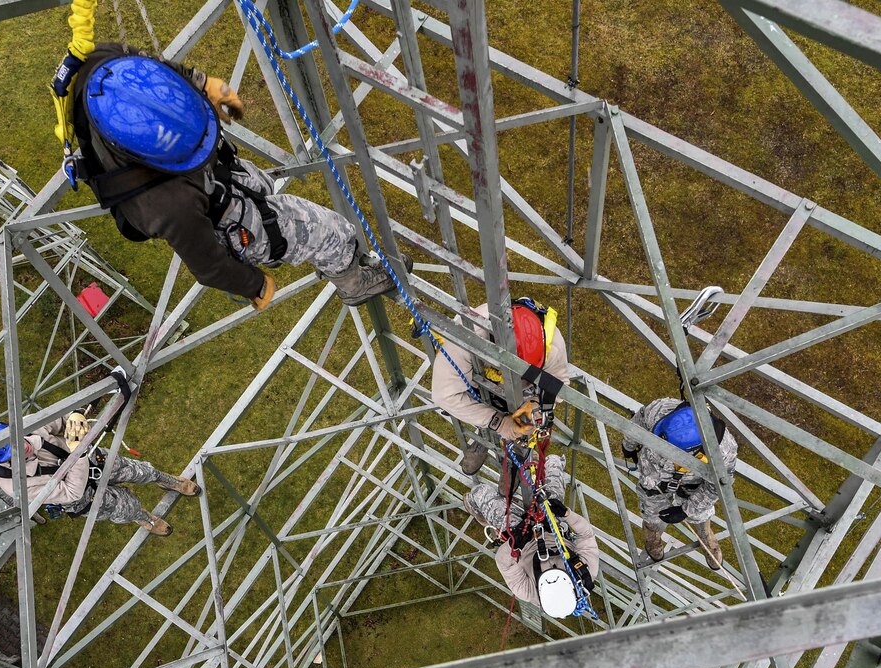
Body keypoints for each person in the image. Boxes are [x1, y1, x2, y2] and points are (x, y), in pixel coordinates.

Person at [51, 43, 411, 308]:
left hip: (216, 181)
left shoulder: (106, 72)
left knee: (264, 189)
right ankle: (354, 283)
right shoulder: (168, 205)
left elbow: (150, 68)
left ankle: (334, 258)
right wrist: (253, 284)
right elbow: (208, 266)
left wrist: (201, 82)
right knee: (327, 231)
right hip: (223, 221)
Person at [0, 418, 199, 536]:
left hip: (92, 460)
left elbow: (63, 417)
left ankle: (169, 481)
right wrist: (77, 450)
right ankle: (143, 517)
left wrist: (76, 419)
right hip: (81, 495)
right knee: (125, 508)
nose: (24, 448)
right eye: (14, 453)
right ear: (0, 461)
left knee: (141, 471)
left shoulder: (27, 425)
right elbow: (71, 493)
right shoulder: (15, 485)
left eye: (18, 442)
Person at [432, 299, 569, 475]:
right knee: (480, 405)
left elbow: (558, 384)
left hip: (525, 393)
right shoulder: (465, 339)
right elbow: (443, 395)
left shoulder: (552, 347)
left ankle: (517, 452)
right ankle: (486, 434)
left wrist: (535, 404)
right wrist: (499, 423)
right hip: (482, 382)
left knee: (526, 424)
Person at [463, 454, 598, 618]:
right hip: (552, 527)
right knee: (553, 463)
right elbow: (586, 534)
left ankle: (479, 511)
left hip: (521, 538)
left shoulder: (528, 592)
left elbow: (504, 563)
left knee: (479, 492)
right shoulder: (585, 573)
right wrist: (567, 514)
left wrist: (514, 543)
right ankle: (540, 460)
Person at [620, 399, 736, 569]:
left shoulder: (723, 451)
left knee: (700, 515)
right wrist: (629, 445)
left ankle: (706, 538)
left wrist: (685, 510)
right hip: (654, 483)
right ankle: (653, 537)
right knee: (652, 514)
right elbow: (638, 423)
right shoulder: (661, 410)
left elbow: (715, 487)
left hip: (693, 487)